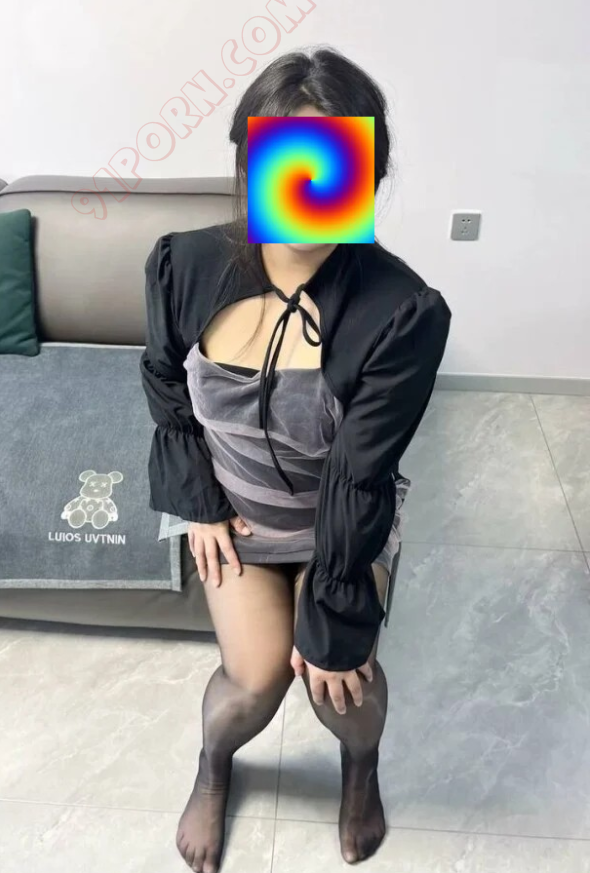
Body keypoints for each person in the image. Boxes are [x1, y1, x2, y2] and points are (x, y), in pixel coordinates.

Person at [140, 45, 452, 873]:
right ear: (248, 163)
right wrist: (197, 502)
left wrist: (334, 618)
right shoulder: (182, 264)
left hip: (339, 520)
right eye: (283, 157)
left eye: (333, 159)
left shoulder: (402, 311)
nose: (307, 181)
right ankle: (214, 767)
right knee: (251, 685)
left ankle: (360, 769)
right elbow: (163, 381)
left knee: (339, 684)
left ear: (368, 172)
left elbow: (359, 473)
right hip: (238, 520)